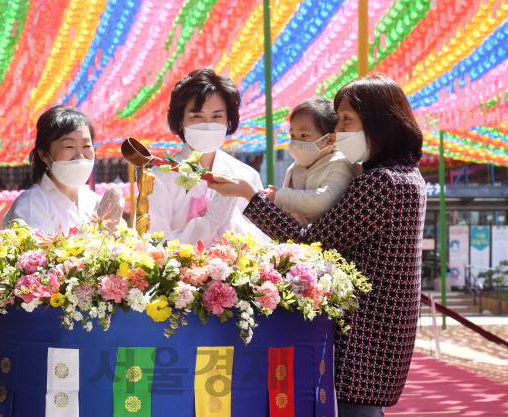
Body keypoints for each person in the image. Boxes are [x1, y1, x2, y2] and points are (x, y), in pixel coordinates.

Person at [209, 74, 427, 416]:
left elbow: (313, 242)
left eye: (346, 120)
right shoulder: (408, 176)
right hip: (382, 331)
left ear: (378, 120)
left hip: (365, 333)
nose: (338, 131)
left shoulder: (383, 183)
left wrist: (250, 197)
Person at [148, 68, 268, 245]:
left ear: (228, 121)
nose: (208, 124)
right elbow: (154, 243)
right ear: (181, 121)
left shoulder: (246, 176)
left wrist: (229, 221)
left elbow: (263, 241)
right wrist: (209, 222)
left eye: (217, 116)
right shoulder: (160, 177)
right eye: (197, 116)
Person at [3, 106, 123, 233]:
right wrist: (101, 235)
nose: (80, 156)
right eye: (69, 146)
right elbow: (39, 253)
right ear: (44, 154)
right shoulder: (30, 205)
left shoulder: (96, 203)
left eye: (87, 146)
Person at [266, 97, 362, 225]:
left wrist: (280, 197)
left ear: (330, 140)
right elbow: (287, 213)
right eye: (293, 135)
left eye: (304, 135)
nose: (296, 142)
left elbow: (322, 204)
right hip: (297, 241)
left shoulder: (341, 165)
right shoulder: (293, 169)